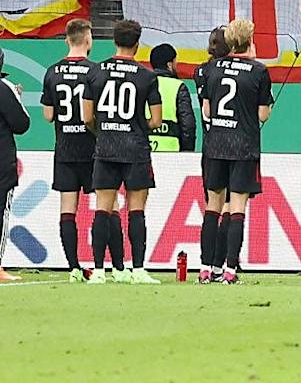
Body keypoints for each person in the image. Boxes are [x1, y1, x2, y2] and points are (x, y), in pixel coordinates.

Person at [82, 18, 162, 282]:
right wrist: (138, 127)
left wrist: (105, 130)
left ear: (114, 41)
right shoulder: (147, 77)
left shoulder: (95, 71)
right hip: (135, 149)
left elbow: (86, 117)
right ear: (137, 45)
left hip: (106, 147)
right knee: (136, 209)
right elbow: (156, 120)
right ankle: (137, 269)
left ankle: (99, 271)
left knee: (103, 208)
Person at [196, 16, 272, 282]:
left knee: (212, 206)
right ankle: (229, 270)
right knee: (237, 207)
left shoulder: (212, 69)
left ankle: (205, 268)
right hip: (243, 146)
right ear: (250, 41)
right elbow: (263, 115)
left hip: (215, 144)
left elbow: (206, 109)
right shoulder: (259, 71)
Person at [41, 17, 97, 278]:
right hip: (92, 149)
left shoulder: (52, 71)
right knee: (103, 206)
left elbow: (48, 115)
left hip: (64, 149)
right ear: (87, 39)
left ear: (66, 39)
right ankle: (100, 266)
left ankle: (73, 267)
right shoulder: (95, 71)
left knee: (67, 210)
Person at [0, 48, 27, 283]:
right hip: (1, 163)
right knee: (0, 212)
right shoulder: (4, 88)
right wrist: (16, 97)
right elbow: (21, 124)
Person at [146, 42, 197, 157]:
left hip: (143, 152)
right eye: (175, 62)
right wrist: (187, 153)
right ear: (169, 65)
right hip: (171, 154)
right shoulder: (178, 86)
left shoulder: (143, 83)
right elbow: (188, 126)